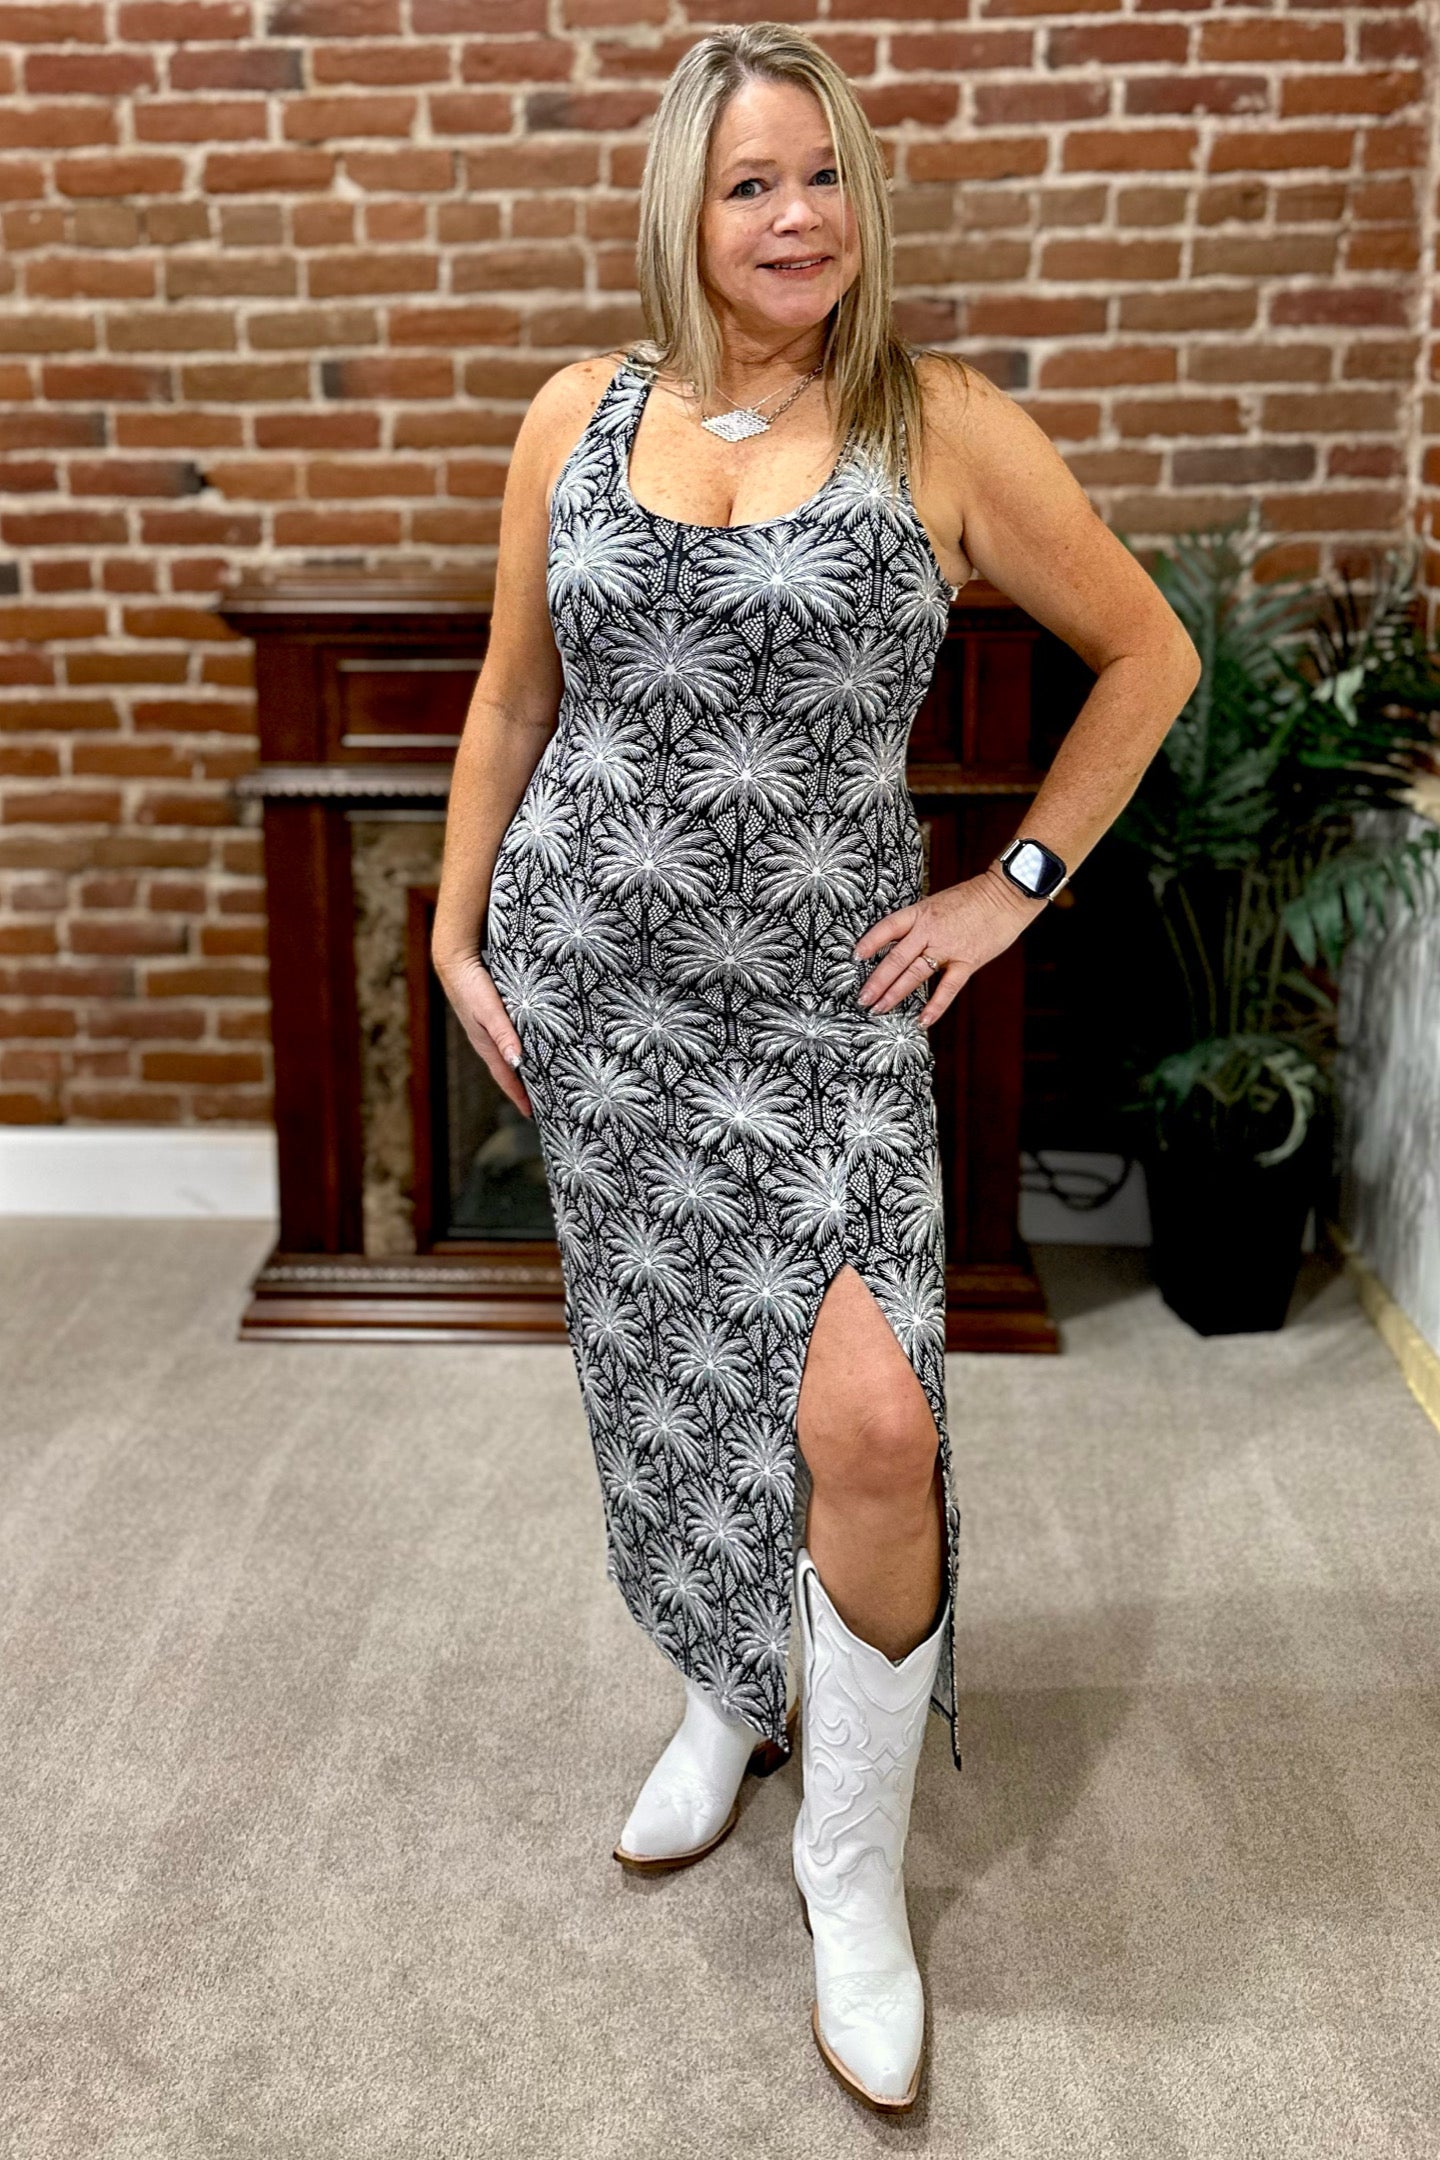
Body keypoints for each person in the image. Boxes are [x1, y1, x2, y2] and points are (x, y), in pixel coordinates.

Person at [432, 22, 1201, 2114]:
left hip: (816, 1016)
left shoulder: (942, 427)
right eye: (753, 182)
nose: (799, 217)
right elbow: (512, 700)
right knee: (672, 1372)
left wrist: (1011, 887)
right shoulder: (574, 415)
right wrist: (455, 928)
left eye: (828, 175)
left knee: (868, 1421)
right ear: (682, 209)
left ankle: (850, 1874)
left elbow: (1150, 655)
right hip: (598, 991)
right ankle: (721, 1688)